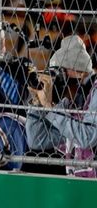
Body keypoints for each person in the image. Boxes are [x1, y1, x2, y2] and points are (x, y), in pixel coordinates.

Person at [25, 35, 97, 176]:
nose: (57, 80)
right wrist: (37, 103)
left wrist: (51, 108)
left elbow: (87, 138)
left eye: (61, 72)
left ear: (80, 73)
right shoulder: (74, 102)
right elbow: (36, 140)